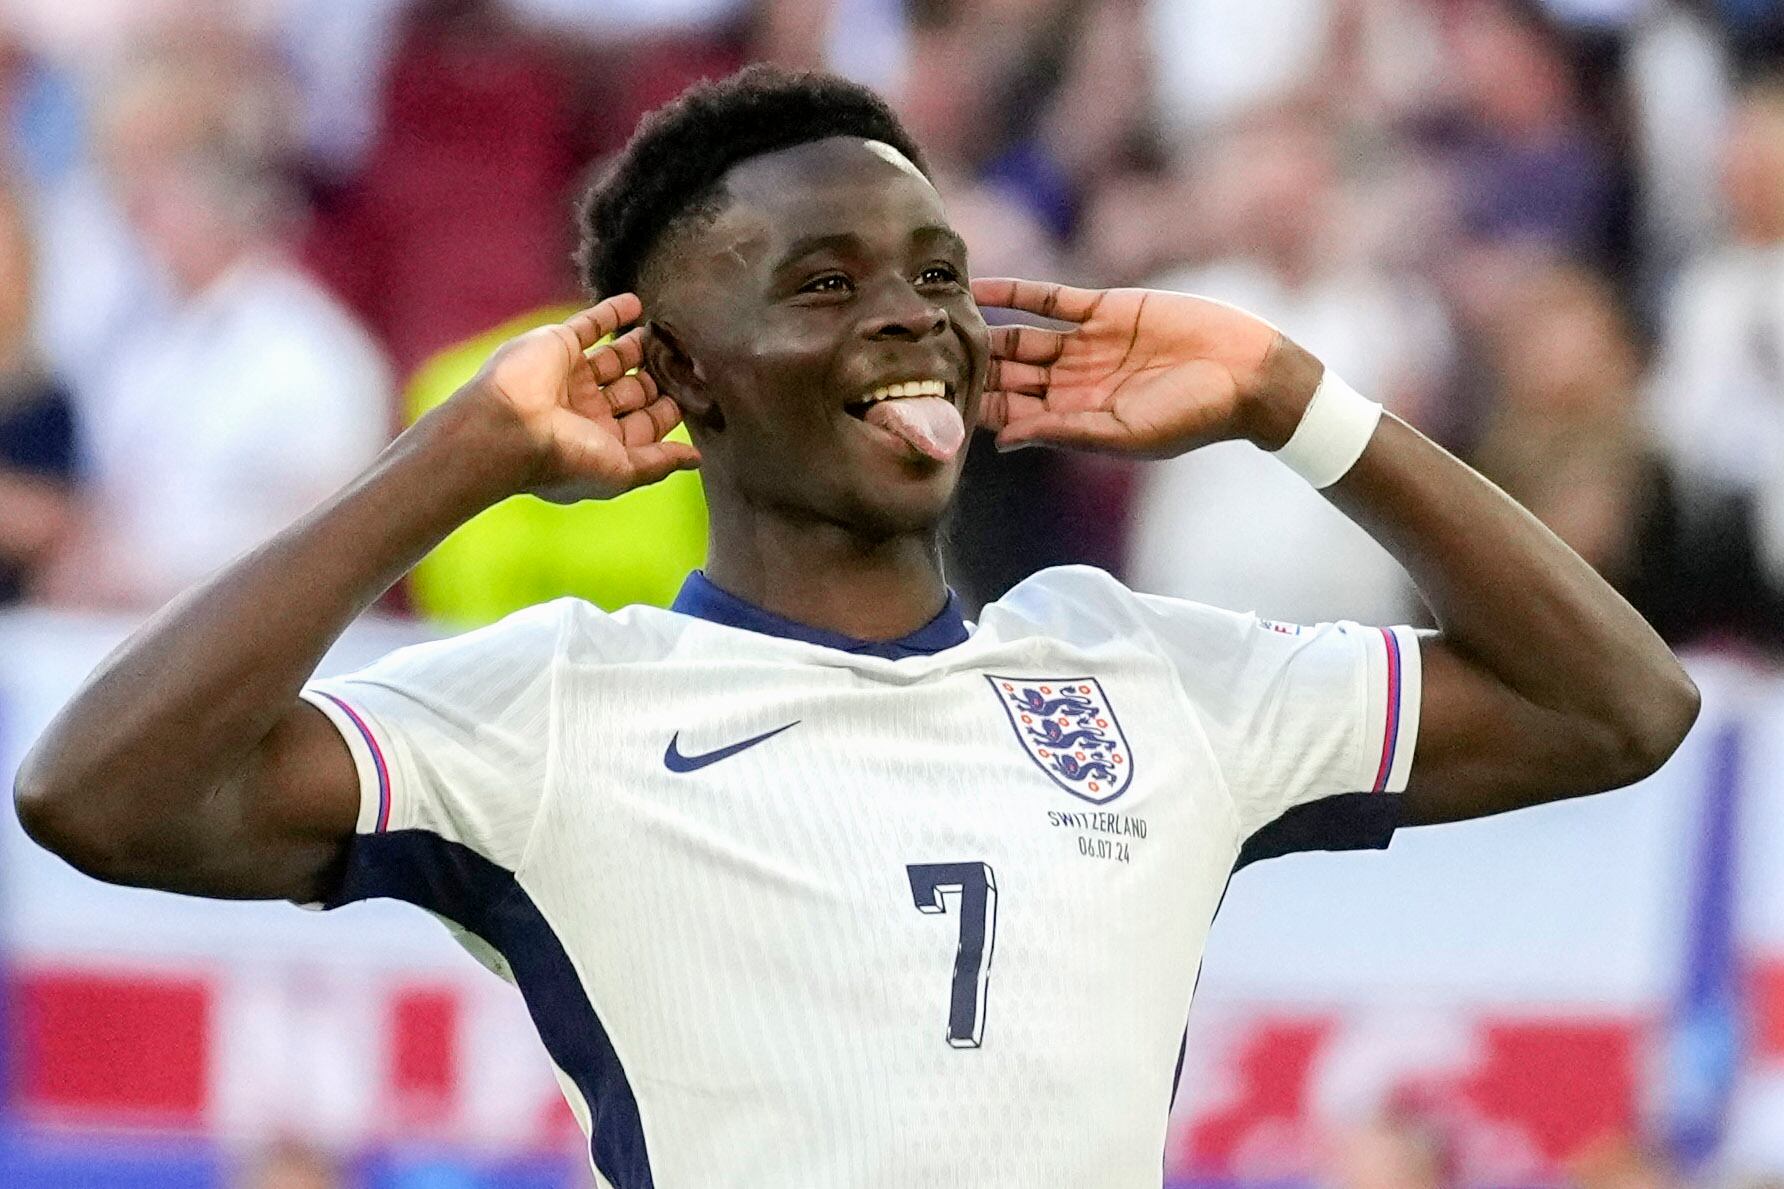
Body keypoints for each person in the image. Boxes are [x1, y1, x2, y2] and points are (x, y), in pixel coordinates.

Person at [14, 67, 1698, 1186]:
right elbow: (97, 790)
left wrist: (1292, 402)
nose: (912, 315)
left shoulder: (1143, 671)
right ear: (671, 372)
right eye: (822, 282)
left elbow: (1620, 707)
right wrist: (455, 465)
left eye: (938, 269)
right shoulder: (553, 710)